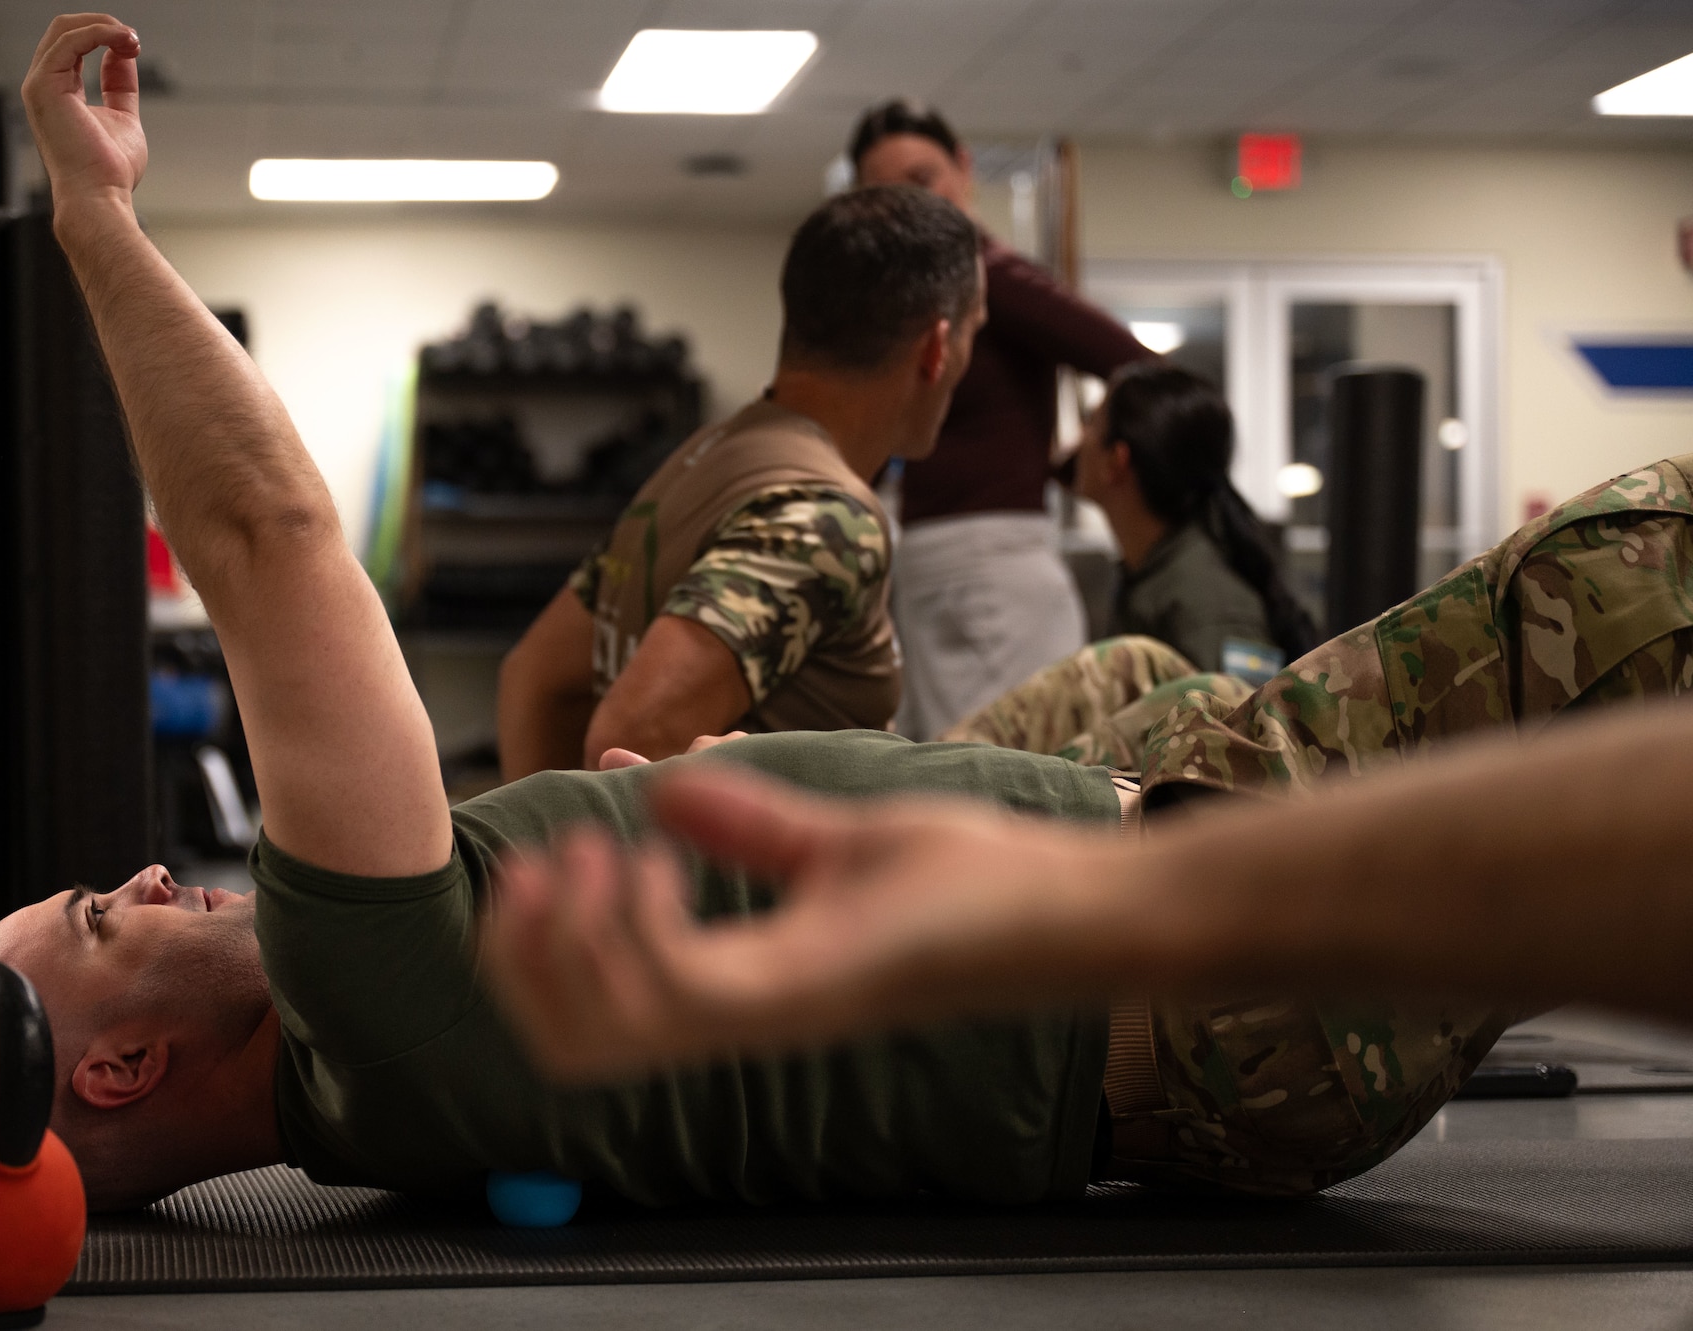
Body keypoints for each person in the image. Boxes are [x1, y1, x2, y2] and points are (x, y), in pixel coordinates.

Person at [0, 16, 1489, 1214]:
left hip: (1175, 889)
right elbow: (266, 533)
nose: (152, 871)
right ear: (117, 1063)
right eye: (100, 916)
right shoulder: (364, 999)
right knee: (1645, 558)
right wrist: (93, 214)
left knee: (1151, 667)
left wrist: (627, 827)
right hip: (1214, 942)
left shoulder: (379, 1079)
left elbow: (536, 674)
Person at [482, 454, 1693, 1102]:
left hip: (1231, 1016)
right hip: (1192, 914)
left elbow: (590, 713)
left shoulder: (782, 487)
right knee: (1153, 676)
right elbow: (600, 722)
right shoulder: (803, 488)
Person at [496, 185, 985, 779]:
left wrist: (528, 853)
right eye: (972, 333)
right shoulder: (825, 516)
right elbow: (634, 732)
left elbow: (534, 678)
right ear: (936, 348)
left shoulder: (707, 456)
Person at [850, 100, 1152, 739]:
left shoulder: (990, 277)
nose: (912, 205)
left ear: (963, 167)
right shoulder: (930, 292)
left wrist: (1084, 460)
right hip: (935, 562)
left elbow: (1136, 366)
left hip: (988, 563)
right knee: (965, 767)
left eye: (922, 179)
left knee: (1005, 773)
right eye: (885, 194)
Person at [1068, 361, 1318, 676]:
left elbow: (1234, 725)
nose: (1079, 438)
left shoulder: (1207, 605)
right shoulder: (1152, 577)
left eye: (1091, 423)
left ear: (1117, 461)